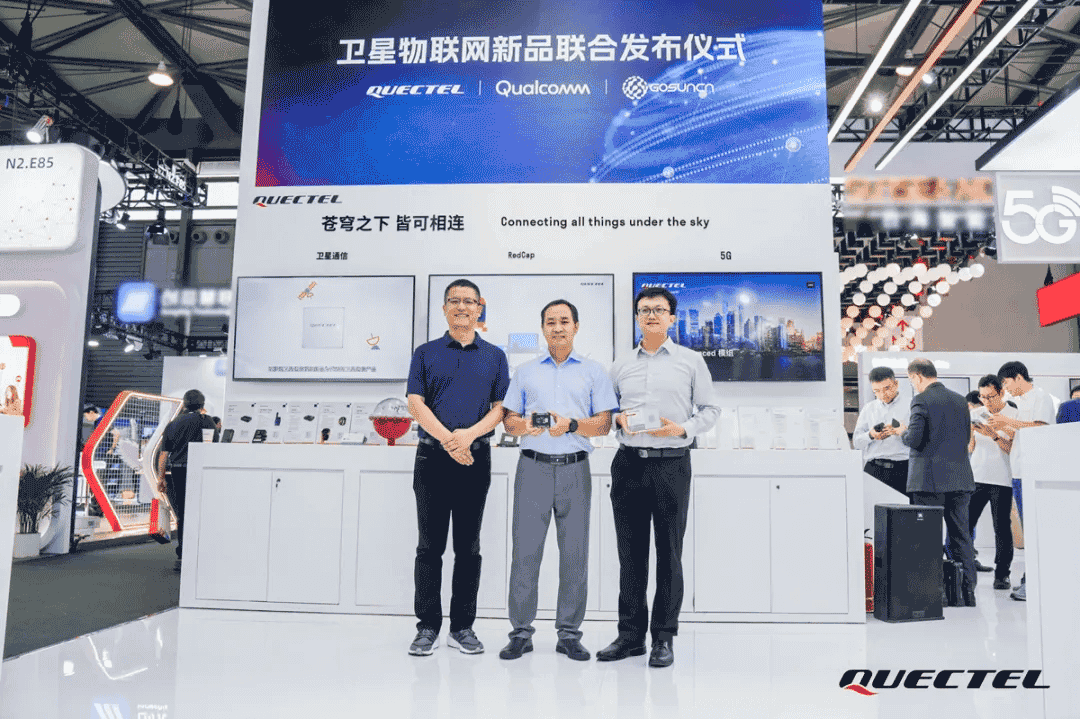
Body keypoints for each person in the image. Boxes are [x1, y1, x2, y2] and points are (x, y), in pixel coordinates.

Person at [599, 287, 719, 668]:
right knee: (630, 555)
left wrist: (682, 429)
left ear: (672, 317)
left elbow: (711, 410)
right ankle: (630, 636)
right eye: (644, 309)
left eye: (659, 309)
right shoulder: (620, 365)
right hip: (628, 464)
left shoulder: (691, 361)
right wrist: (616, 419)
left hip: (672, 465)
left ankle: (663, 638)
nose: (651, 315)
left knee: (669, 554)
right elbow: (605, 414)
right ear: (637, 317)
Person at [498, 299, 618, 662]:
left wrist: (571, 425)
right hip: (532, 468)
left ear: (576, 327)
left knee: (575, 555)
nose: (557, 328)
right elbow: (509, 422)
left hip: (575, 470)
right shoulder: (525, 372)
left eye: (564, 321)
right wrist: (527, 424)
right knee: (524, 554)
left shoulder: (594, 372)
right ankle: (521, 633)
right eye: (550, 322)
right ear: (543, 328)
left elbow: (604, 424)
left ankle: (569, 634)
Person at [405, 279, 510, 656]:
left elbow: (501, 408)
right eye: (455, 301)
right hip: (431, 458)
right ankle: (427, 627)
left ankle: (462, 627)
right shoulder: (425, 352)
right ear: (445, 308)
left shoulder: (495, 355)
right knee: (429, 547)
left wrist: (468, 437)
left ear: (480, 308)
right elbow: (415, 402)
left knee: (469, 548)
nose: (462, 307)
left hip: (475, 459)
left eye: (469, 301)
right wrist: (451, 441)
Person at [900, 358, 977, 606]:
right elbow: (966, 437)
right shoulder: (960, 400)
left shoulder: (921, 400)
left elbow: (914, 439)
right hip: (960, 478)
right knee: (961, 536)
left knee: (929, 537)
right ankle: (967, 592)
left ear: (917, 376)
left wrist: (902, 432)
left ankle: (936, 593)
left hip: (929, 480)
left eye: (911, 380)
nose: (913, 384)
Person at [989, 361, 1056, 601]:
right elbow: (1018, 437)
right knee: (1029, 530)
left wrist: (1007, 422)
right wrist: (996, 432)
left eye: (1006, 383)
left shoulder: (1041, 398)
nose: (1006, 389)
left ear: (1018, 377)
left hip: (1035, 472)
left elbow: (1040, 427)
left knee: (1036, 530)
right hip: (1019, 473)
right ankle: (1032, 579)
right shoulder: (1020, 404)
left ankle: (1036, 582)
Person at [157, 389, 219, 572]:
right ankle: (203, 552)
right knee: (202, 511)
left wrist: (161, 478)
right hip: (201, 471)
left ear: (184, 404)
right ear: (202, 405)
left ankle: (183, 553)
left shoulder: (174, 423)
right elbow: (214, 448)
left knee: (183, 513)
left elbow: (163, 455)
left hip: (178, 471)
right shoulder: (208, 421)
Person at [969, 376, 1017, 590]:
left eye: (990, 396)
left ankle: (1002, 574)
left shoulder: (1013, 415)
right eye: (982, 397)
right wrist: (971, 434)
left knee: (1002, 528)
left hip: (1002, 479)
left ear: (1001, 393)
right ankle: (964, 569)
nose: (986, 401)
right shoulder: (975, 414)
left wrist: (993, 435)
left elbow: (1012, 449)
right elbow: (970, 448)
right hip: (977, 476)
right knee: (965, 524)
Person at [852, 367, 910, 498]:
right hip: (874, 469)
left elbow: (920, 439)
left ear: (896, 384)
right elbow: (857, 442)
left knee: (904, 508)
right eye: (876, 391)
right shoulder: (869, 409)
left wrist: (903, 432)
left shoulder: (911, 406)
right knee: (872, 508)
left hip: (903, 469)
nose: (883, 394)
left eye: (887, 388)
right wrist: (871, 435)